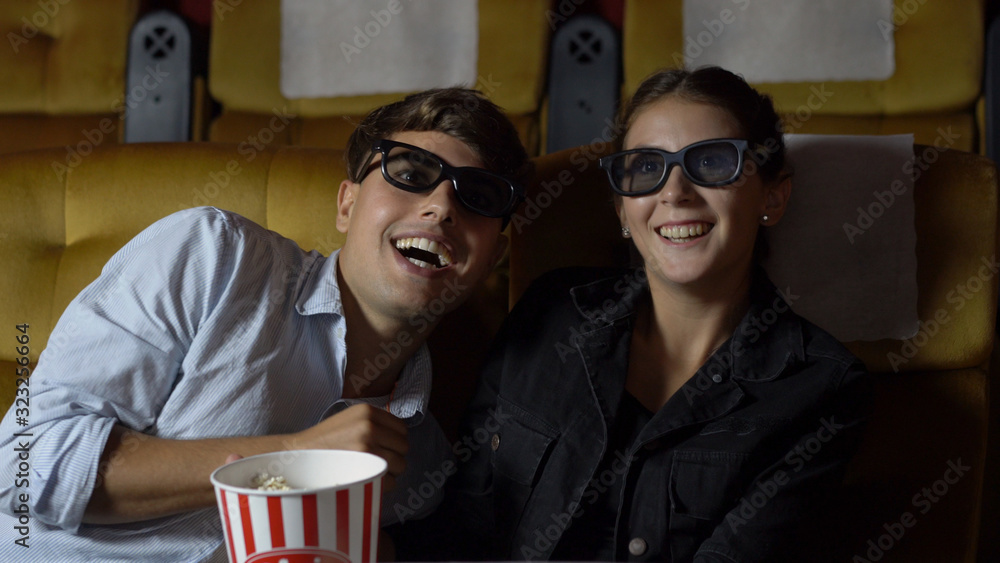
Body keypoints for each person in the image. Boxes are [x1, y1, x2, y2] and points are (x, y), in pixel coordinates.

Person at [0, 88, 529, 562]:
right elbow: (21, 466)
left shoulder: (424, 465)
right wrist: (294, 461)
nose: (440, 207)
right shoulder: (213, 256)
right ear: (347, 204)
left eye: (477, 197)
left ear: (492, 258)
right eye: (411, 175)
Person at [394, 67, 873, 562]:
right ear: (622, 210)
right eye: (646, 168)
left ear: (772, 195)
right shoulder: (549, 311)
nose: (674, 191)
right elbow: (463, 528)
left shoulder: (819, 389)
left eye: (712, 162)